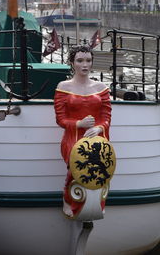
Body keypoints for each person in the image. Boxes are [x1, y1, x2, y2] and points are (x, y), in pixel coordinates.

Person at [54, 45, 112, 218]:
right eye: (80, 60)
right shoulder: (63, 86)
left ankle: (98, 201)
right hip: (74, 136)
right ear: (72, 63)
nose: (84, 64)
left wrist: (98, 128)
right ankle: (69, 199)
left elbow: (106, 116)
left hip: (97, 136)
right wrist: (79, 123)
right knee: (75, 165)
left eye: (88, 60)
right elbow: (60, 119)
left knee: (101, 167)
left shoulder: (101, 87)